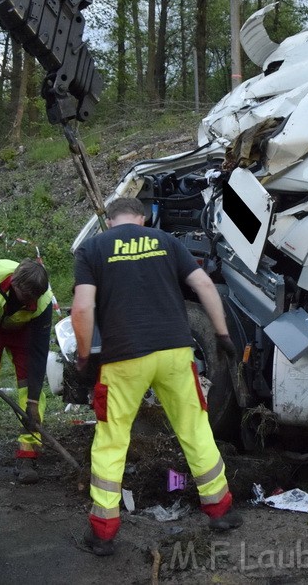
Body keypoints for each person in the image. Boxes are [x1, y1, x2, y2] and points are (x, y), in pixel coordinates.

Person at [71, 197, 243, 557]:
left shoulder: (92, 248)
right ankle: (220, 511)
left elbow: (83, 307)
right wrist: (222, 334)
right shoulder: (166, 241)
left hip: (123, 357)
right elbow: (205, 286)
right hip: (175, 352)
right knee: (194, 427)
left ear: (110, 218)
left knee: (112, 438)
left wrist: (84, 356)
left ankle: (103, 532)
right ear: (143, 218)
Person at [0, 258, 54, 484]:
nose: (26, 303)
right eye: (23, 298)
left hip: (24, 333)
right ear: (13, 282)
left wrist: (33, 402)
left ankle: (28, 452)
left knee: (29, 389)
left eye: (30, 301)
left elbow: (38, 354)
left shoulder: (43, 304)